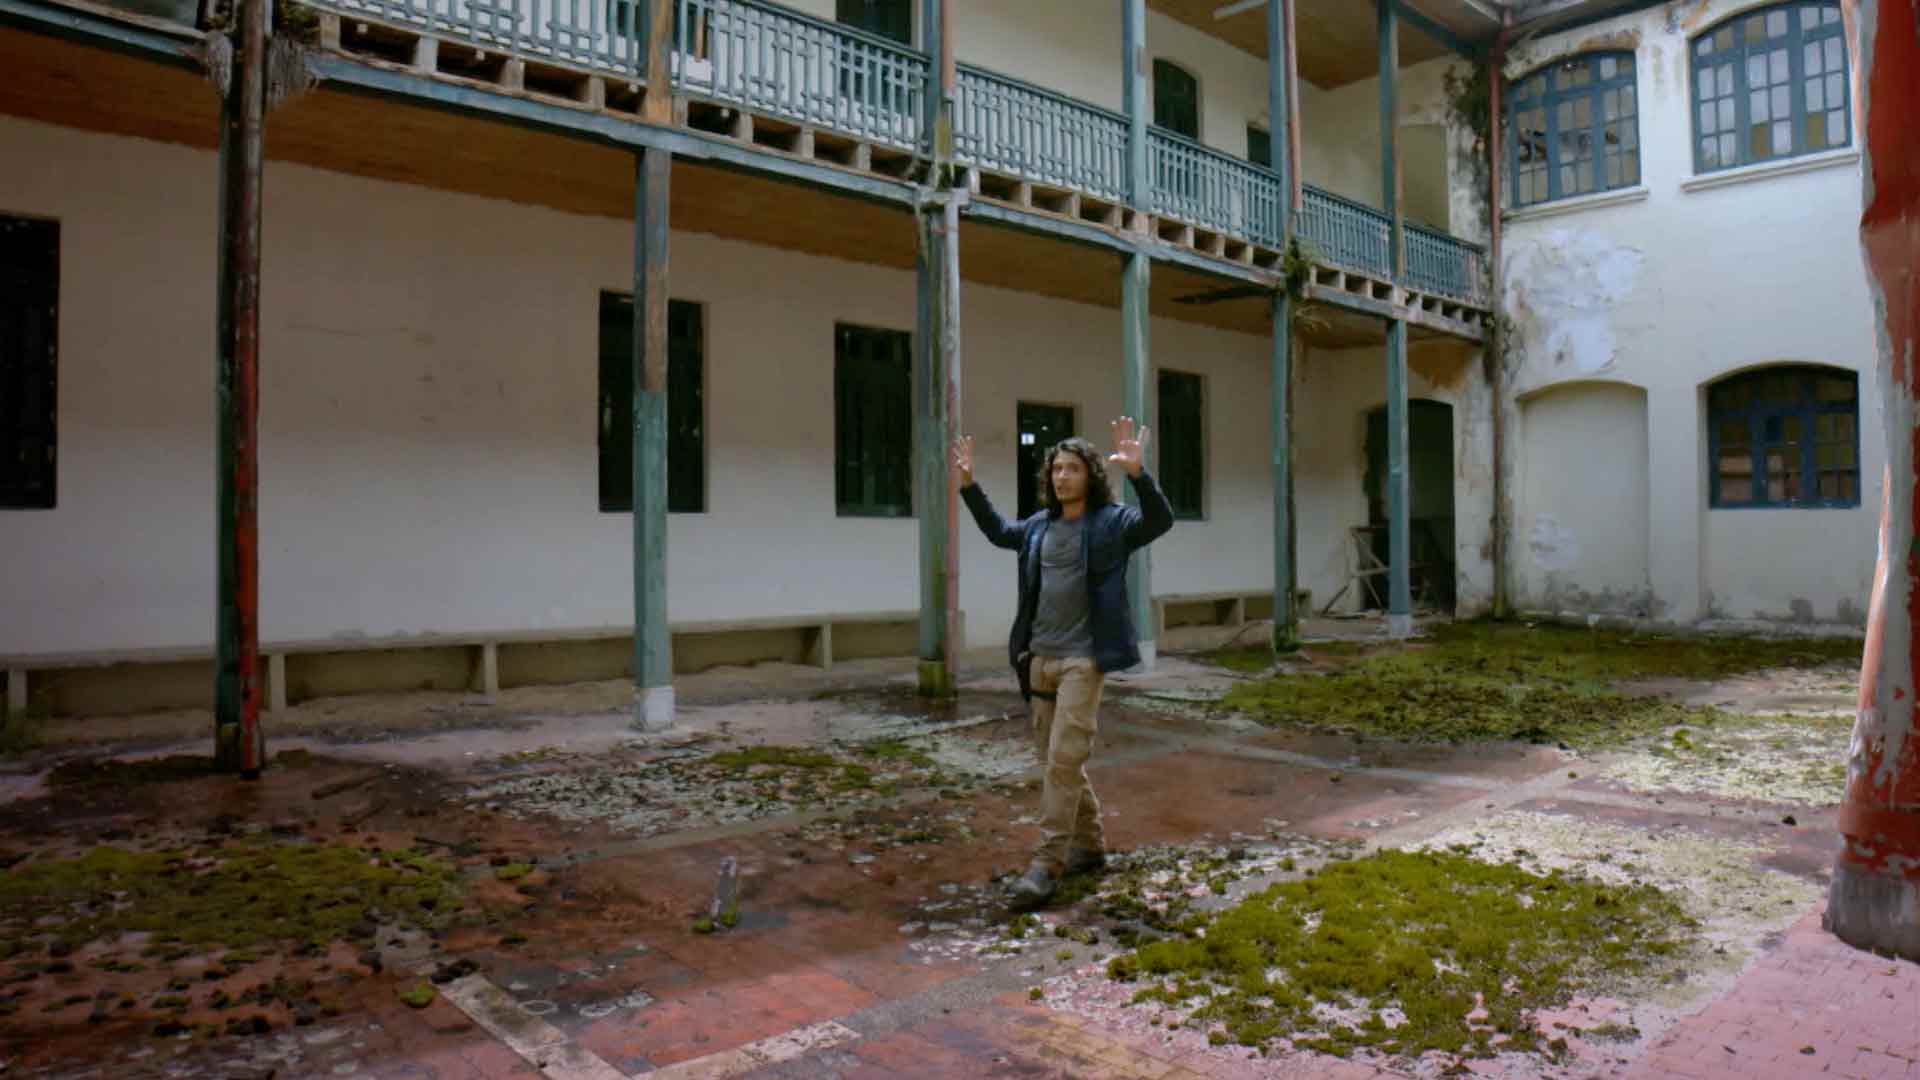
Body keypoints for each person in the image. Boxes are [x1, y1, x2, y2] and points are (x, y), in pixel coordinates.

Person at [953, 416, 1175, 910]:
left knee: (1062, 763)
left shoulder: (1112, 523)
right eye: (1056, 469)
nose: (1061, 477)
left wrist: (1140, 475)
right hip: (1038, 660)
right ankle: (1090, 846)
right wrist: (969, 487)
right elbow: (998, 532)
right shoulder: (1038, 527)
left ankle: (1046, 865)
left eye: (1072, 468)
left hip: (1082, 662)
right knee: (1057, 762)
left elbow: (1160, 522)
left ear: (1089, 475)